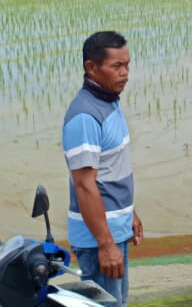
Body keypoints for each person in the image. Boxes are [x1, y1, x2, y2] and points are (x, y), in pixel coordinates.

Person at [63, 31, 143, 307]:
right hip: (99, 239)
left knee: (117, 302)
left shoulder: (108, 102)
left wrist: (130, 212)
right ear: (91, 68)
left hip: (113, 230)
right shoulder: (85, 116)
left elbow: (110, 171)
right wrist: (106, 244)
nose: (125, 73)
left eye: (128, 65)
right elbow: (85, 186)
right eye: (117, 66)